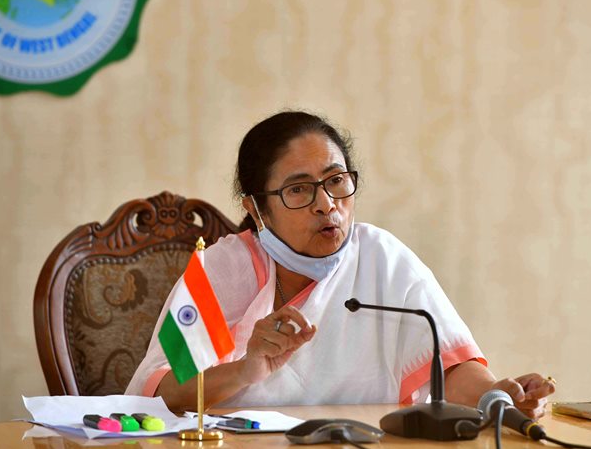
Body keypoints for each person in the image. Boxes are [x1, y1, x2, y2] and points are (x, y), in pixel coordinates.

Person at [126, 110, 555, 418]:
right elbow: (162, 393)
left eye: (336, 181)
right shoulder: (224, 270)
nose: (326, 204)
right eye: (299, 190)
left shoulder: (381, 259)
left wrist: (498, 398)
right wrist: (246, 370)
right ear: (256, 209)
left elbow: (449, 365)